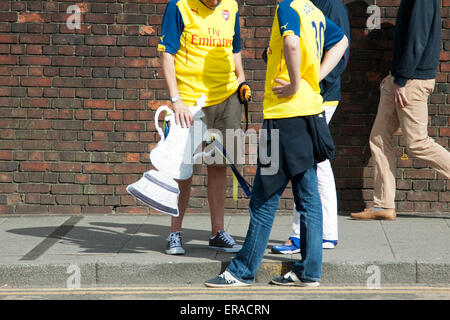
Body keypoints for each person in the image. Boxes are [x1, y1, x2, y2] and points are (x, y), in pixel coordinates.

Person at [204, 0, 348, 287]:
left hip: (283, 118)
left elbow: (292, 45)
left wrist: (295, 83)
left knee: (263, 200)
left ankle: (242, 272)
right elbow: (342, 42)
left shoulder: (288, 7)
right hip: (309, 114)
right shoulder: (314, 11)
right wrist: (312, 78)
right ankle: (309, 271)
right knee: (308, 198)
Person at [157, 0, 246, 254]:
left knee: (219, 166)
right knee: (183, 169)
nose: (216, 2)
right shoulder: (179, 6)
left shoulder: (231, 5)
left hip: (227, 99)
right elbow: (167, 54)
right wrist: (176, 100)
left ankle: (218, 232)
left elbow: (235, 46)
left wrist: (241, 75)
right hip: (191, 103)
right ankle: (174, 233)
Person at [351, 0, 450, 220]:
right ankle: (382, 205)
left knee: (417, 143)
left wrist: (402, 79)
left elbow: (417, 39)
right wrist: (395, 75)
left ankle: (382, 205)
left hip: (411, 81)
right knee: (378, 137)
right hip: (400, 79)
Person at [271, 0, 350, 254]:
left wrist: (309, 80)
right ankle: (324, 234)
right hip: (312, 95)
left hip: (317, 97)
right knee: (316, 163)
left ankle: (303, 236)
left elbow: (341, 52)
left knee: (306, 163)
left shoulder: (329, 6)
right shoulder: (310, 5)